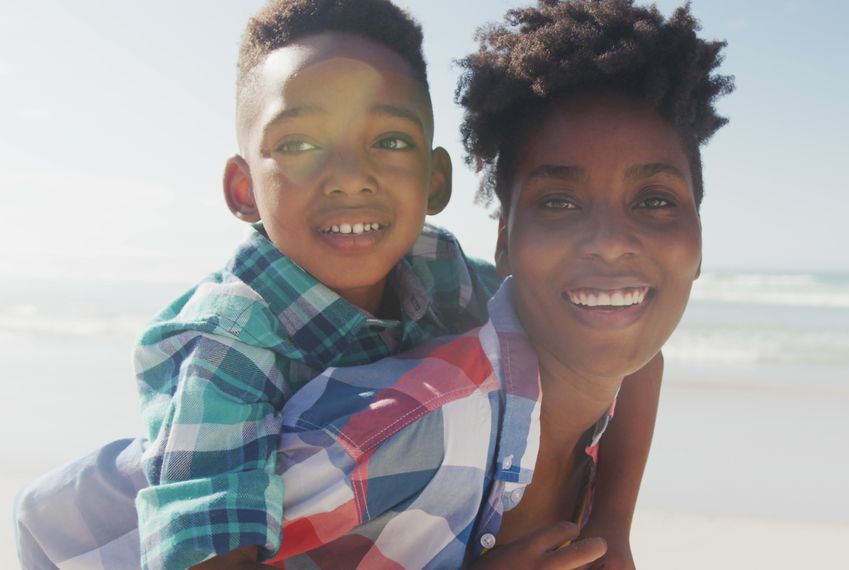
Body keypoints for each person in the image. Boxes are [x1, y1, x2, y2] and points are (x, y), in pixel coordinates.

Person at [12, 0, 671, 568]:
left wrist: (611, 524)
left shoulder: (441, 272)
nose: (350, 175)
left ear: (434, 181)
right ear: (244, 189)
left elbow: (622, 347)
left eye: (388, 140)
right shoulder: (229, 336)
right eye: (300, 144)